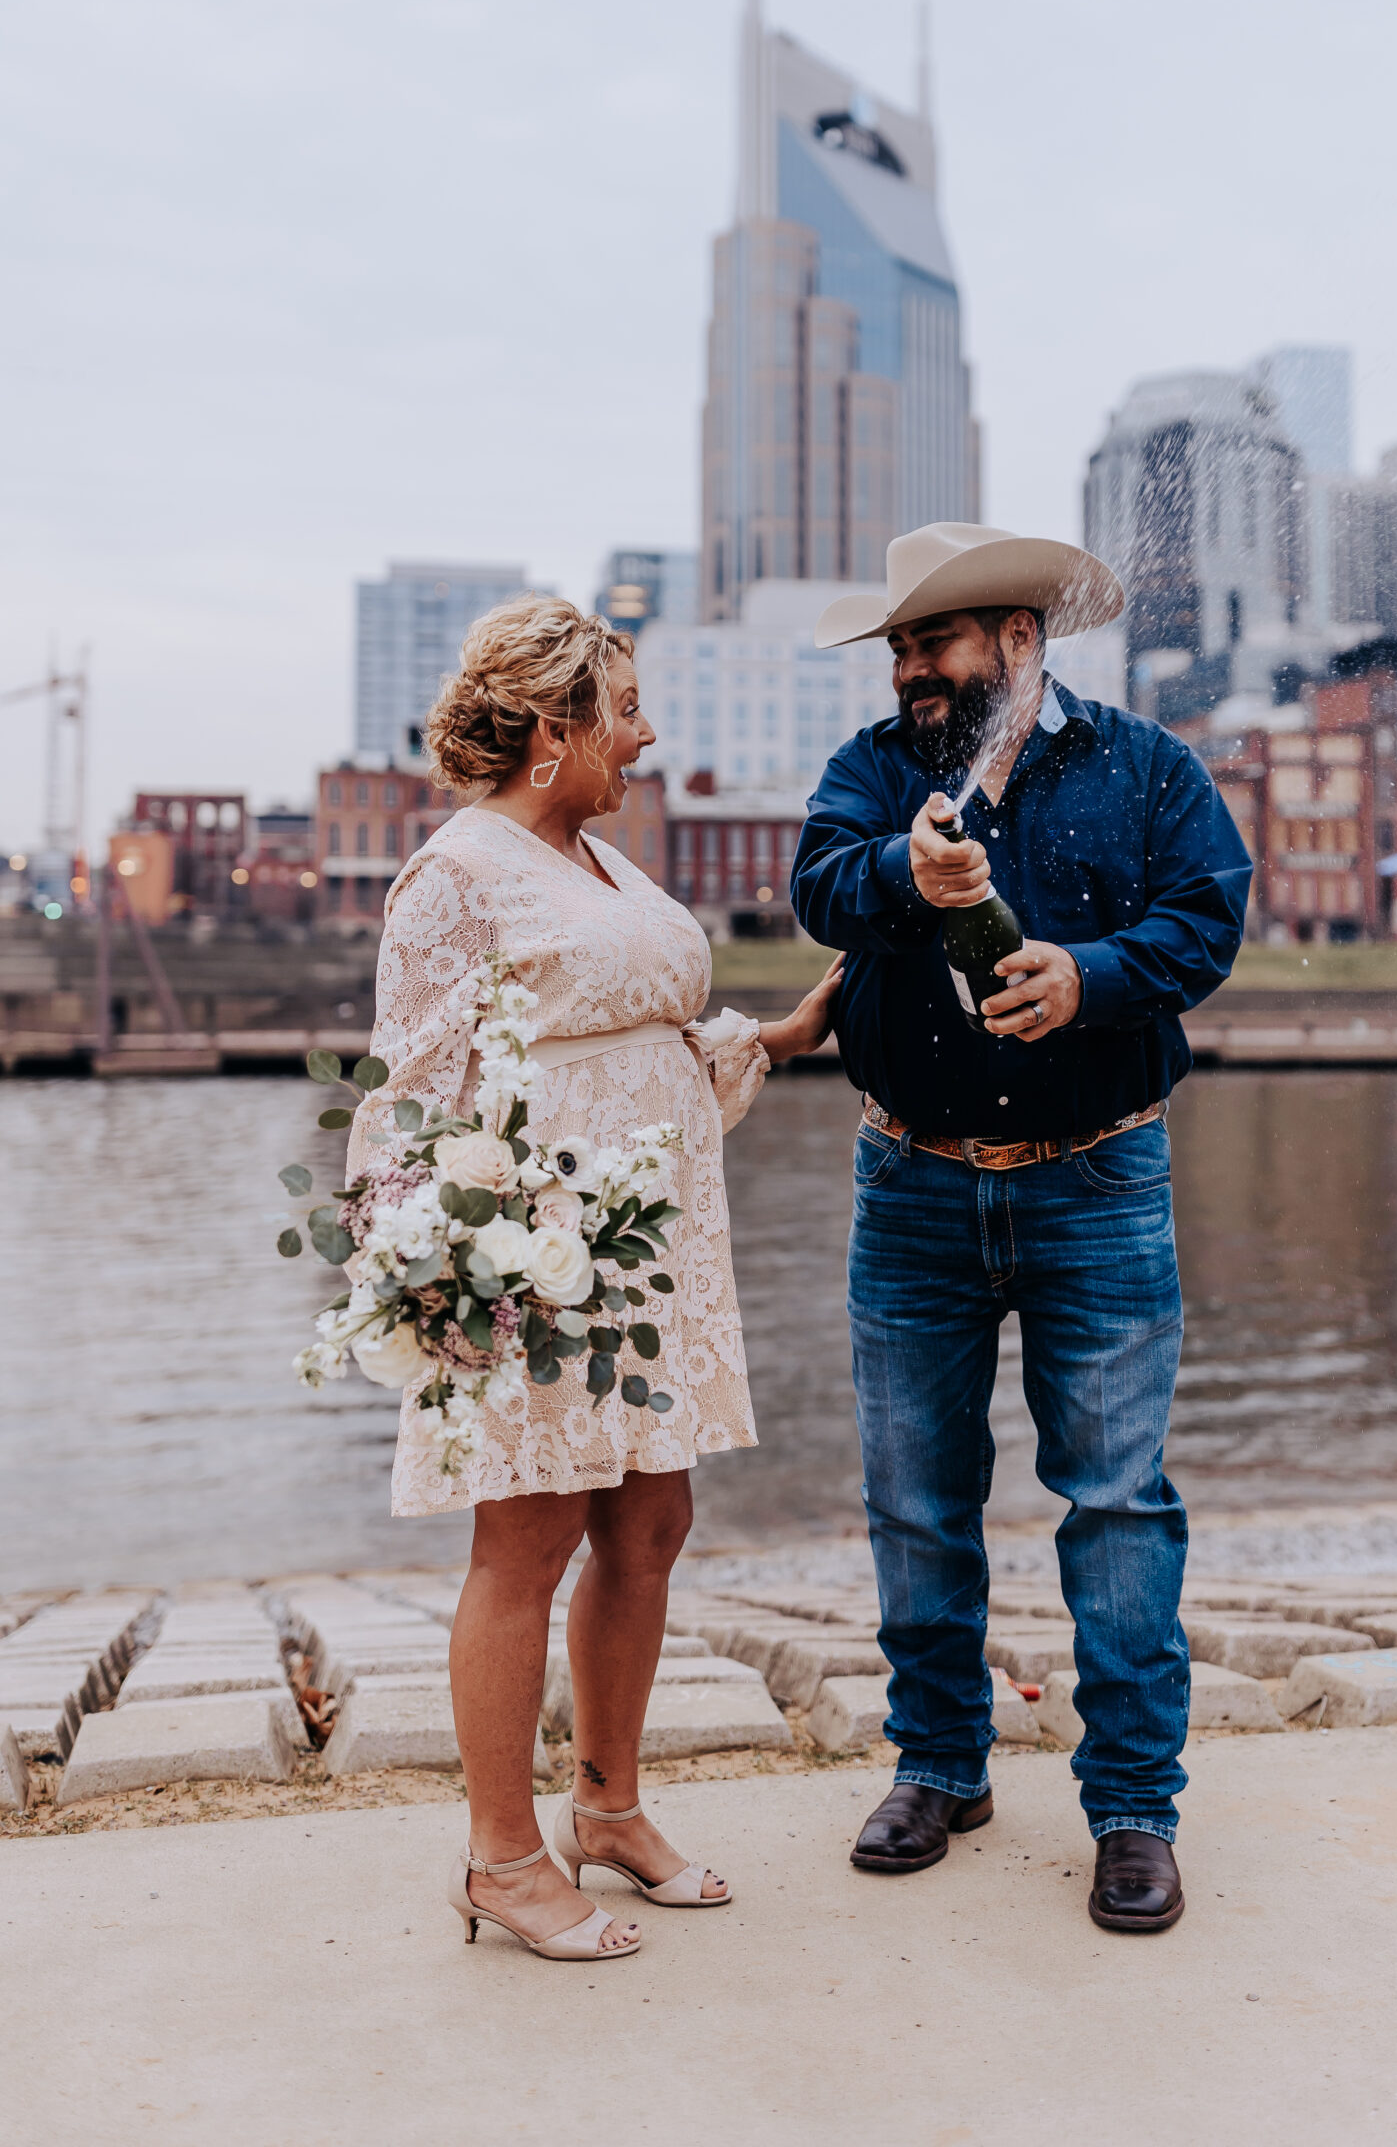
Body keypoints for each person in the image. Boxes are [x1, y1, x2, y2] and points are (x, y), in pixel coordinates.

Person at [350, 595, 841, 1962]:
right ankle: (501, 1861)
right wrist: (446, 1268)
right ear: (555, 729)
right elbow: (413, 1088)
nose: (646, 738)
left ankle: (608, 1810)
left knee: (650, 1523)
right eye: (623, 715)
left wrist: (775, 1036)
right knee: (528, 1538)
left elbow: (644, 1038)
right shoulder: (456, 873)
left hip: (653, 1247)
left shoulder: (599, 863)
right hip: (537, 1256)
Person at [790, 521, 1250, 1935]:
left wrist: (1093, 977)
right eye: (901, 644)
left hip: (1098, 1181)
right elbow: (815, 886)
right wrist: (894, 880)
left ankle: (1131, 1810)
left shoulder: (1151, 768)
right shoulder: (877, 774)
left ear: (1022, 640)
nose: (911, 664)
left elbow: (1211, 917)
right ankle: (940, 1766)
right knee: (915, 1503)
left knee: (1115, 1506)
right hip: (912, 1182)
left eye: (935, 639)